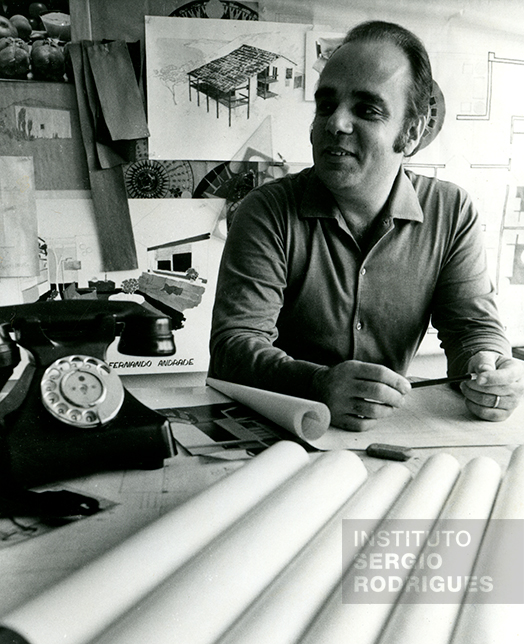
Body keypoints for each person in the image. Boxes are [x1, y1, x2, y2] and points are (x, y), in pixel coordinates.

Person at [209, 20, 524, 430]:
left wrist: (489, 368)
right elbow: (234, 348)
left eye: (366, 109)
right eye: (326, 104)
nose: (334, 123)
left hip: (390, 437)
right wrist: (319, 383)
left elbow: (472, 328)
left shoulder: (451, 210)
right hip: (279, 435)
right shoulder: (265, 211)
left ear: (411, 133)